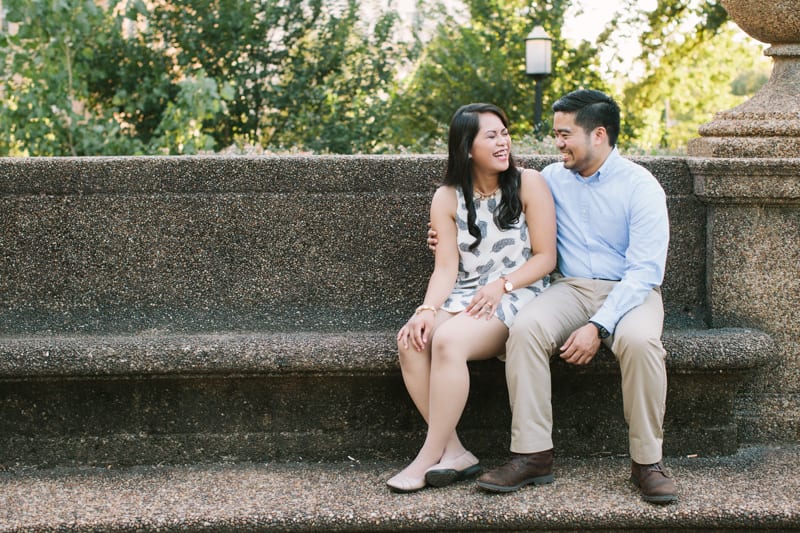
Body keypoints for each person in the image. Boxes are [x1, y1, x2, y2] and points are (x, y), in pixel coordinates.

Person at [427, 89, 676, 504]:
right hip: (571, 288)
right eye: (556, 134)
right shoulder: (550, 178)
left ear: (598, 135)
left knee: (640, 342)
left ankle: (647, 463)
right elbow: (493, 213)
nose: (558, 143)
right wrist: (441, 233)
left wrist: (598, 327)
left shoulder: (641, 186)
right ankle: (532, 454)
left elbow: (645, 272)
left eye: (565, 134)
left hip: (631, 291)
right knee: (524, 330)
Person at [386, 103, 557, 493]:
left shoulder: (528, 182)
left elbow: (547, 258)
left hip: (519, 292)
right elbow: (446, 268)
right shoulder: (446, 197)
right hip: (466, 294)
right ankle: (454, 451)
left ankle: (427, 457)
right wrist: (426, 309)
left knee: (448, 341)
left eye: (505, 132)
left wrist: (503, 285)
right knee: (412, 341)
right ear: (467, 148)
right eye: (491, 135)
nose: (504, 141)